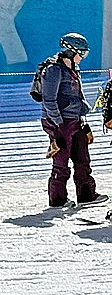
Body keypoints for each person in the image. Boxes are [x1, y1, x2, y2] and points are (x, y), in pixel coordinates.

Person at [39, 32, 107, 207]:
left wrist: (83, 117)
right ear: (70, 51)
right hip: (60, 122)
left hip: (75, 120)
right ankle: (58, 201)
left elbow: (77, 96)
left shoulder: (73, 70)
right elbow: (49, 100)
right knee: (61, 163)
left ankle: (87, 195)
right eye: (82, 53)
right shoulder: (53, 70)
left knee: (82, 158)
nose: (83, 58)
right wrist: (58, 126)